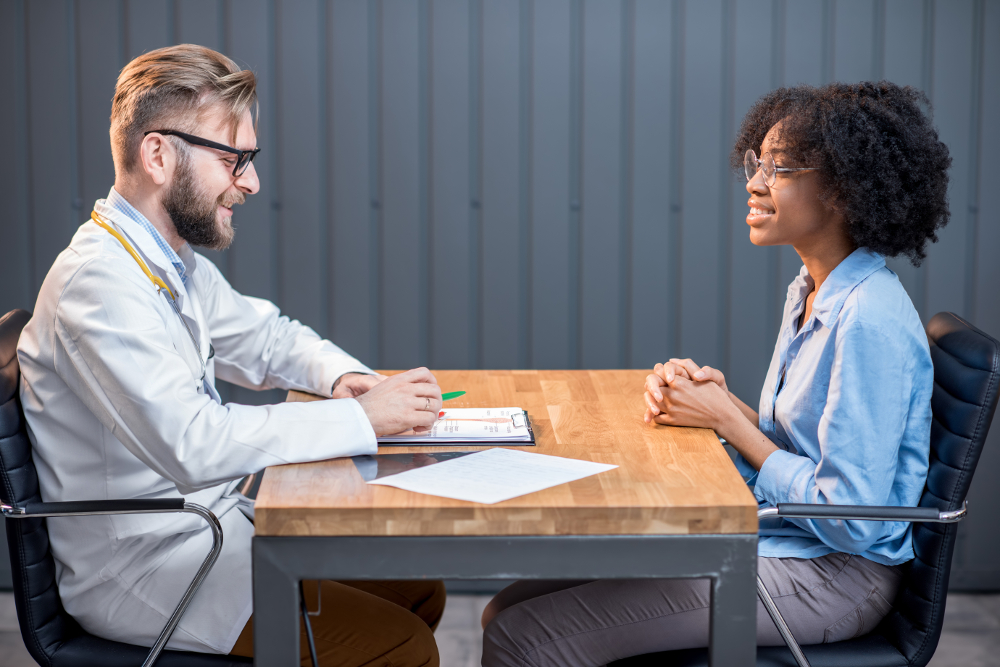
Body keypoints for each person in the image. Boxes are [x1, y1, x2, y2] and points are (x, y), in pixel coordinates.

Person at [479, 81, 951, 665]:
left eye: (779, 170)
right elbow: (805, 448)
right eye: (758, 164)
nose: (753, 183)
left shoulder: (867, 320)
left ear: (843, 191)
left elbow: (850, 518)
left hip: (833, 578)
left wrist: (730, 421)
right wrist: (714, 403)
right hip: (785, 543)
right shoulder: (812, 289)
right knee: (506, 609)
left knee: (524, 638)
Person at [17, 44, 445, 666]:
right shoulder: (98, 287)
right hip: (148, 566)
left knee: (419, 588)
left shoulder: (166, 261)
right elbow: (192, 444)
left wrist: (347, 379)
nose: (251, 182)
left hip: (206, 528)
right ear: (158, 154)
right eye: (234, 158)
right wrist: (362, 420)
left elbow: (264, 338)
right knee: (400, 647)